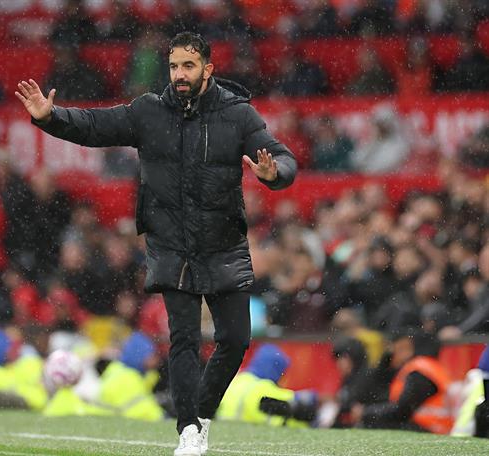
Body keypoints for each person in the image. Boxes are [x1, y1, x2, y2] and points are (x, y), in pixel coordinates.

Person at [15, 31, 297, 456]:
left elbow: (283, 157)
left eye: (188, 66)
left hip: (223, 243)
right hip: (171, 245)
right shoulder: (148, 111)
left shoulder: (238, 115)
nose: (179, 74)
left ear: (208, 68)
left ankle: (200, 415)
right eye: (174, 66)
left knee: (236, 339)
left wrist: (275, 175)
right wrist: (50, 117)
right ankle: (188, 431)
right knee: (183, 338)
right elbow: (94, 126)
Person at [353, 330, 454, 434]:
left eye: (405, 348)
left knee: (373, 424)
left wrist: (366, 413)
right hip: (435, 427)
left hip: (429, 428)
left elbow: (402, 411)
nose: (399, 353)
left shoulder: (420, 371)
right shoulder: (430, 367)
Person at [216, 343, 314, 428]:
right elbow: (298, 404)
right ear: (276, 369)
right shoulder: (264, 388)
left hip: (224, 432)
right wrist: (312, 397)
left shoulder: (234, 380)